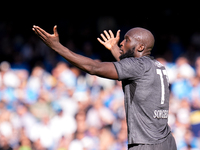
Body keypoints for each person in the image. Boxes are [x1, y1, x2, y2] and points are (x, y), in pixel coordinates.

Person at [32, 25, 177, 150]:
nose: (121, 43)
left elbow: (94, 67)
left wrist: (57, 47)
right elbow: (128, 68)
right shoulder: (157, 66)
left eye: (127, 40)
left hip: (146, 144)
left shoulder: (138, 67)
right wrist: (114, 48)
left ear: (140, 47)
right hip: (166, 142)